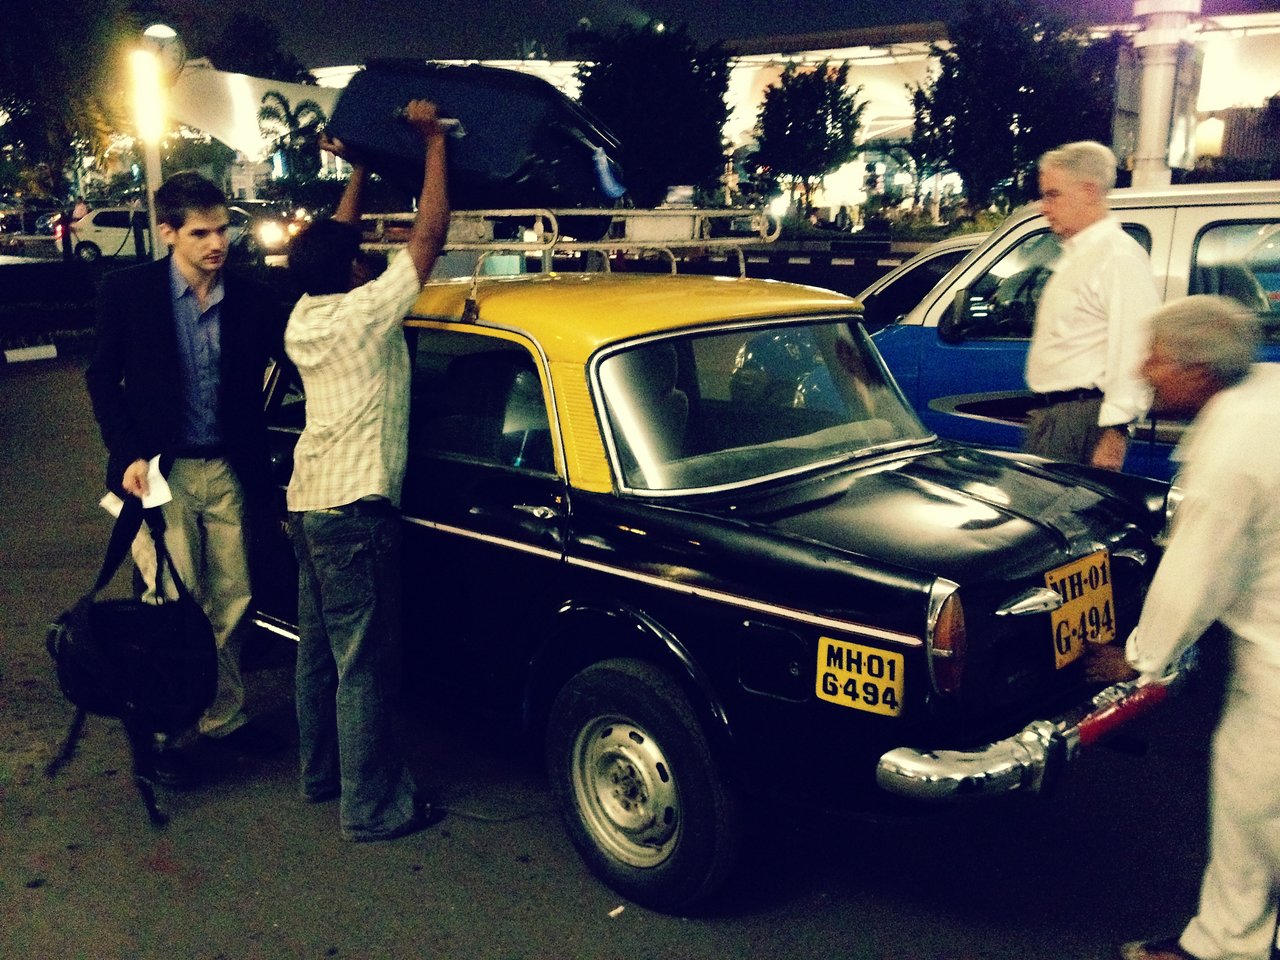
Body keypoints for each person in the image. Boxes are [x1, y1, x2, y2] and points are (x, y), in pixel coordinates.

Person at [1084, 296, 1280, 960]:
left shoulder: (1231, 447)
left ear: (1200, 371)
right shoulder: (1266, 392)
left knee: (1252, 805)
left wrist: (1136, 660)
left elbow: (1194, 576)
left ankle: (1224, 947)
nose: (1144, 368)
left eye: (1157, 357)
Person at [284, 100, 451, 842]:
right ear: (353, 273)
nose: (369, 260)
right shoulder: (366, 313)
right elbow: (429, 235)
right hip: (355, 511)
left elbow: (336, 244)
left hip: (309, 507)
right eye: (359, 257)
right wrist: (433, 143)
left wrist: (357, 168)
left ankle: (322, 777)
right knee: (364, 667)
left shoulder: (305, 317)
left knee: (318, 656)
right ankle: (372, 808)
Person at [84, 171, 284, 779]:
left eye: (222, 228)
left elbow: (292, 356)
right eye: (200, 232)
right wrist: (128, 456)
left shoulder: (249, 293)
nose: (216, 242)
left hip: (227, 468)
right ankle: (165, 732)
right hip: (160, 475)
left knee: (234, 599)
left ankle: (221, 719)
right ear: (168, 233)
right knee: (172, 605)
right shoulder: (130, 292)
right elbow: (101, 377)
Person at [1023, 140, 1160, 470]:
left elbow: (1136, 348)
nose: (1044, 207)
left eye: (1053, 195)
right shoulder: (1080, 256)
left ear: (1088, 191)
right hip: (1058, 417)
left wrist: (1115, 434)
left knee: (1067, 518)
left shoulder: (1117, 257)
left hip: (1082, 421)